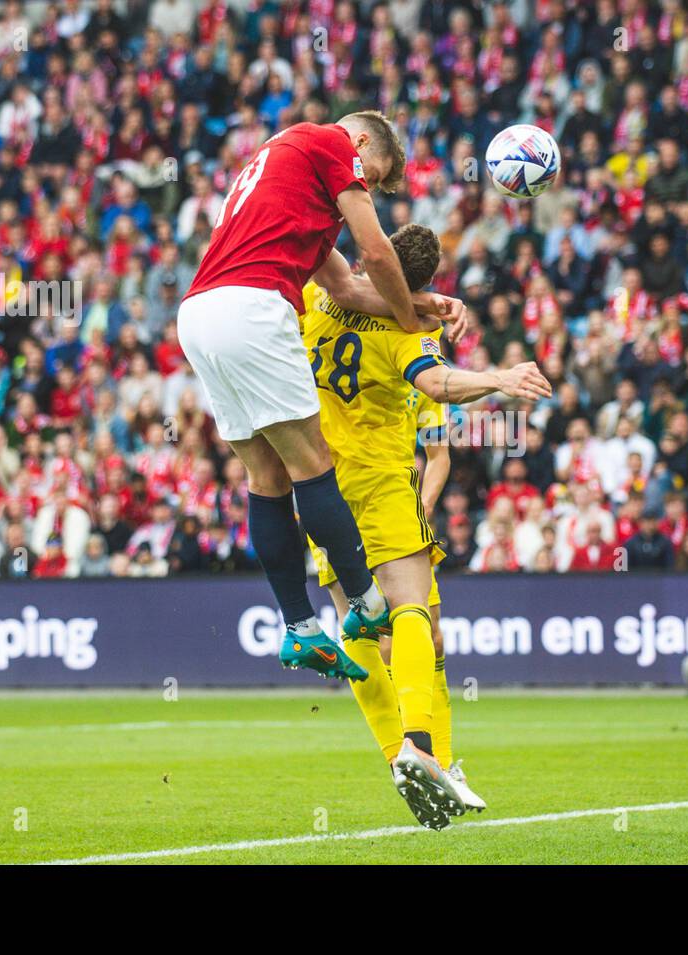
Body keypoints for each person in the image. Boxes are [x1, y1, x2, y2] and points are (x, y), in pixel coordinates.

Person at [175, 111, 464, 681]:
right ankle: (364, 603)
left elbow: (350, 286)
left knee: (268, 478)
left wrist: (426, 305)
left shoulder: (287, 173)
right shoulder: (331, 142)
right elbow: (377, 254)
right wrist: (411, 321)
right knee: (314, 464)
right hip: (254, 308)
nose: (366, 192)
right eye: (372, 179)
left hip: (200, 315)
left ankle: (300, 628)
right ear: (359, 144)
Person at [302, 224, 551, 829]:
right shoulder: (409, 330)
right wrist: (497, 379)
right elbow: (437, 382)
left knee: (356, 622)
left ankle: (403, 757)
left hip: (318, 483)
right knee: (411, 613)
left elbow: (326, 265)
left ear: (371, 258)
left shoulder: (317, 295)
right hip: (382, 481)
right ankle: (419, 746)